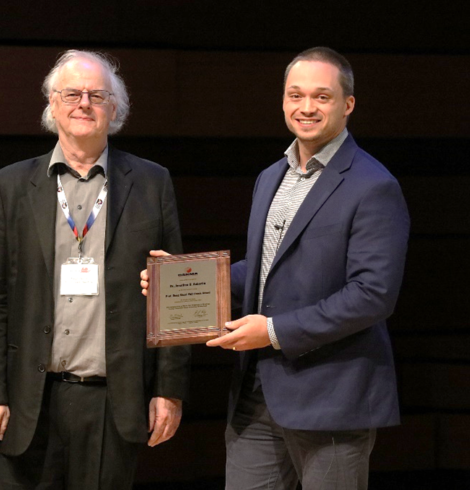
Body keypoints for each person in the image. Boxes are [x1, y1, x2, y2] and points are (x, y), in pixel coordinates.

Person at [142, 46, 409, 490]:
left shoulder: (374, 186)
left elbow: (372, 295)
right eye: (295, 95)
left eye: (322, 97)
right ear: (283, 100)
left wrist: (272, 332)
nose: (306, 108)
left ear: (348, 105)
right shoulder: (272, 176)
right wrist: (187, 278)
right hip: (256, 395)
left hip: (332, 401)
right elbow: (264, 268)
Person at [0, 49, 190, 490]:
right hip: (29, 398)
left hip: (114, 401)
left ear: (115, 108)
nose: (83, 103)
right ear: (52, 103)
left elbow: (175, 295)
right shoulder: (10, 186)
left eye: (96, 95)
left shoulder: (152, 182)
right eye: (71, 93)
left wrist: (169, 388)